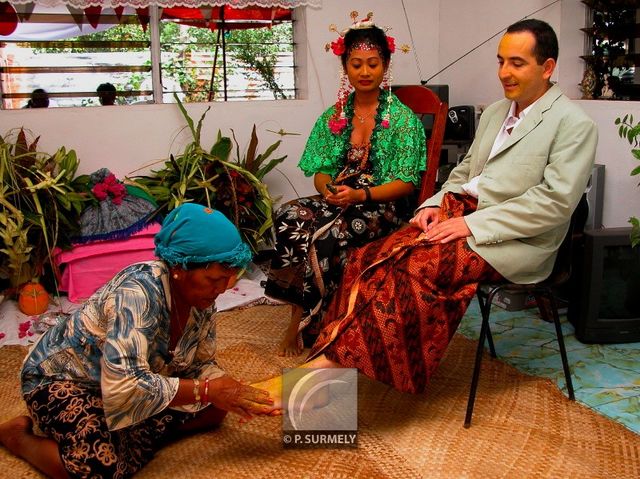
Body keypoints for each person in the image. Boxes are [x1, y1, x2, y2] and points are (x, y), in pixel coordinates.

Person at [254, 19, 598, 406]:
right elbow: (464, 173)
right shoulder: (497, 111)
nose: (504, 72)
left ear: (547, 67)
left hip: (513, 237)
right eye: (501, 61)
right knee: (371, 257)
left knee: (418, 268)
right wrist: (434, 205)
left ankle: (324, 376)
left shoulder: (573, 124)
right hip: (460, 212)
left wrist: (467, 223)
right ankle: (331, 353)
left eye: (517, 63)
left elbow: (553, 205)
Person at [0, 203, 275, 479]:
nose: (220, 290)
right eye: (213, 279)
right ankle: (17, 438)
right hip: (65, 380)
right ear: (179, 266)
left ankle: (130, 434)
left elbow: (200, 363)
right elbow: (124, 383)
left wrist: (230, 389)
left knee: (216, 409)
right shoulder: (137, 292)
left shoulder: (200, 299)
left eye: (227, 280)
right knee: (99, 468)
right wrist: (207, 390)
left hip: (130, 380)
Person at [264, 12, 426, 357]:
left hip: (383, 206)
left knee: (324, 236)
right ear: (345, 68)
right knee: (290, 215)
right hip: (341, 197)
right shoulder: (335, 115)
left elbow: (406, 183)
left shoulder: (402, 119)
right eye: (356, 65)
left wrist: (361, 194)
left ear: (386, 65)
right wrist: (327, 190)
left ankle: (319, 326)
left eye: (372, 64)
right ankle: (297, 312)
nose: (364, 72)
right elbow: (320, 169)